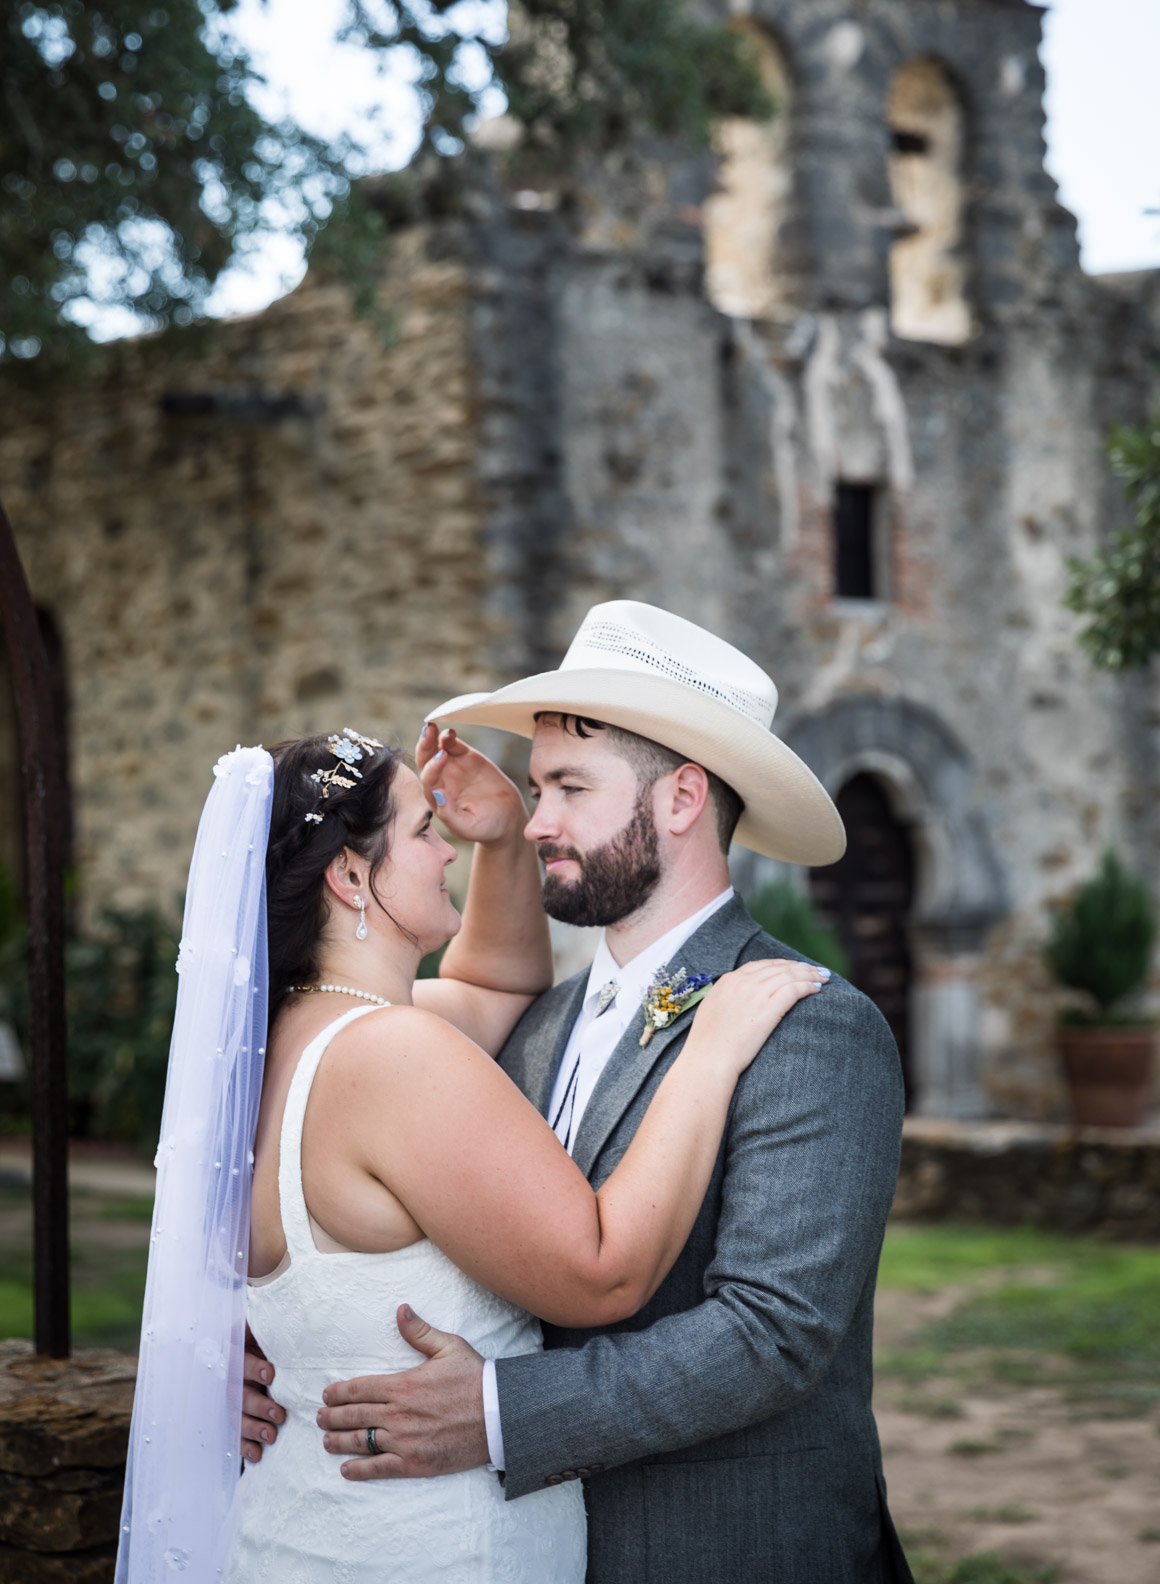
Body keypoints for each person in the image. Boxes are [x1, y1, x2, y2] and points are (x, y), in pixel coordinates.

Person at [249, 599, 914, 1584]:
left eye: (567, 787)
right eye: (534, 788)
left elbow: (774, 1333)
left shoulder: (810, 1024)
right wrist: (275, 1346)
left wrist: (497, 1414)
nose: (535, 819)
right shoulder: (534, 1026)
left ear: (682, 800)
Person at [121, 717, 825, 1584]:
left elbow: (495, 982)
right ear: (349, 875)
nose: (445, 851)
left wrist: (498, 842)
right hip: (426, 1548)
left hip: (294, 1527)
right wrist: (709, 1051)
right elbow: (601, 1269)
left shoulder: (281, 1045)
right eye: (425, 831)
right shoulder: (391, 1055)